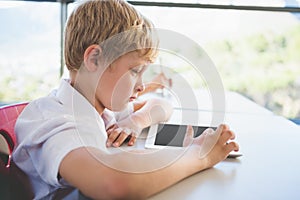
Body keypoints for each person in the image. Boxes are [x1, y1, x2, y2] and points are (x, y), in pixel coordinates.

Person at [12, 0, 239, 199]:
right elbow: (114, 183)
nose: (141, 85)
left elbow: (162, 105)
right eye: (134, 71)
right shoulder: (56, 123)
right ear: (94, 59)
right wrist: (197, 156)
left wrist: (135, 121)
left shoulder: (99, 107)